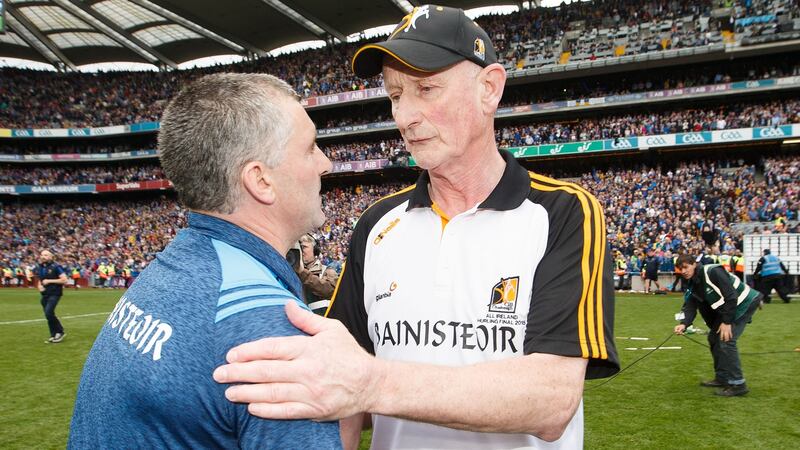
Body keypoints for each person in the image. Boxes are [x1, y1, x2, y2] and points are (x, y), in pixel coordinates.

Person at [213, 6, 619, 449]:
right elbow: (341, 396)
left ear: (489, 88)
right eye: (395, 95)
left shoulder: (563, 212)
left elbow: (551, 400)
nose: (405, 116)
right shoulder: (376, 225)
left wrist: (371, 382)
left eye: (426, 89)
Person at [68, 73, 341, 449]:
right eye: (311, 147)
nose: (325, 163)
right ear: (260, 181)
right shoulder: (270, 332)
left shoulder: (168, 270)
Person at [672, 254, 762, 397]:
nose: (683, 271)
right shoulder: (692, 283)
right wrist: (683, 324)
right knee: (714, 338)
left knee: (726, 340)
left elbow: (731, 296)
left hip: (744, 302)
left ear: (694, 264)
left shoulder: (712, 271)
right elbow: (690, 305)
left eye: (686, 267)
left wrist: (726, 322)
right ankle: (722, 378)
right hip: (729, 307)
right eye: (680, 269)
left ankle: (738, 384)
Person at [295, 233, 338, 315]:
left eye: (304, 247)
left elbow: (330, 291)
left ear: (315, 250)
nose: (300, 251)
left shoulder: (327, 271)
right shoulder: (293, 271)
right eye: (299, 248)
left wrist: (302, 272)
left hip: (321, 322)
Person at [38, 250, 68, 343]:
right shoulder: (41, 267)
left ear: (51, 257)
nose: (43, 256)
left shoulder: (56, 267)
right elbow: (40, 280)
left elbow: (64, 280)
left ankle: (60, 331)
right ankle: (53, 334)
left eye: (46, 255)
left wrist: (49, 281)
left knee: (48, 313)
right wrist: (39, 286)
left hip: (55, 293)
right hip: (45, 294)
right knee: (49, 315)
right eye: (42, 255)